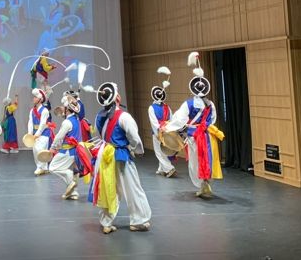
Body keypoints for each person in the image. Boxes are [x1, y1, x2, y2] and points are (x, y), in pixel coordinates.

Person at [91, 82, 152, 234]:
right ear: (117, 97)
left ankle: (106, 222)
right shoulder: (124, 116)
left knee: (108, 188)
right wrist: (137, 150)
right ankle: (138, 221)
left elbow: (97, 134)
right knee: (132, 188)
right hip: (121, 156)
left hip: (105, 155)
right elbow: (134, 138)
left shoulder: (99, 116)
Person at [163, 52, 224, 198]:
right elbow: (213, 119)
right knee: (207, 158)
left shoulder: (189, 104)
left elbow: (180, 119)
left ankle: (202, 185)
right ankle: (206, 183)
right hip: (208, 136)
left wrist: (168, 127)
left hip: (194, 136)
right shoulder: (210, 104)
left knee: (196, 161)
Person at [49, 94, 92, 200]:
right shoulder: (76, 119)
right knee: (74, 171)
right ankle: (74, 193)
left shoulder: (67, 122)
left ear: (67, 109)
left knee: (53, 168)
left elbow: (59, 137)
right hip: (76, 152)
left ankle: (70, 182)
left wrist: (53, 147)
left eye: (64, 107)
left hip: (67, 151)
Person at [147, 67, 176, 178]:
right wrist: (168, 129)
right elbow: (171, 119)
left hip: (158, 131)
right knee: (162, 150)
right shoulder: (167, 107)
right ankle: (161, 169)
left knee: (159, 152)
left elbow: (154, 123)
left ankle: (169, 168)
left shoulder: (151, 108)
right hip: (167, 130)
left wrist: (158, 132)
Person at [27, 88, 53, 176]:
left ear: (40, 99)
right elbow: (30, 122)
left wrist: (37, 134)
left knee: (40, 150)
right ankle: (44, 168)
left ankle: (40, 167)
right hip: (35, 134)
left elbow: (42, 124)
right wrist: (30, 134)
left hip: (44, 133)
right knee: (35, 150)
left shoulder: (45, 111)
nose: (33, 98)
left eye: (35, 97)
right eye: (33, 97)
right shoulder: (32, 110)